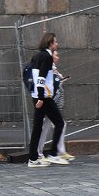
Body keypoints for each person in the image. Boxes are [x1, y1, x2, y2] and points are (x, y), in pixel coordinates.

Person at [26, 32, 68, 168]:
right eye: (55, 42)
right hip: (44, 96)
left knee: (37, 128)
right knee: (59, 123)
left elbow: (36, 75)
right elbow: (41, 77)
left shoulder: (38, 55)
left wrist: (37, 96)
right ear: (50, 43)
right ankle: (53, 154)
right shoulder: (47, 56)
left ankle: (33, 159)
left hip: (38, 95)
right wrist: (40, 97)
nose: (57, 44)